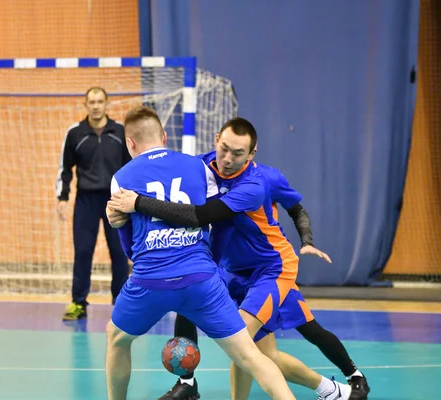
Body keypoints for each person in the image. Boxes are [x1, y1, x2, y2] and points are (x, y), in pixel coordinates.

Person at [109, 117, 355, 400]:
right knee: (204, 319)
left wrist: (137, 202)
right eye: (224, 148)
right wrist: (119, 216)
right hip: (231, 269)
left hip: (271, 267)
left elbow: (201, 216)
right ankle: (188, 384)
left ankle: (338, 385)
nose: (227, 158)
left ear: (252, 154)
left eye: (238, 153)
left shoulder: (257, 184)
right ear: (216, 140)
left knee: (268, 341)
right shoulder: (200, 166)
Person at [56, 86, 131, 320]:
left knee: (119, 253)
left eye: (100, 101)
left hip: (115, 200)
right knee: (83, 251)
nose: (96, 106)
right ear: (85, 105)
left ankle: (120, 302)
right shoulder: (75, 134)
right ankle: (78, 303)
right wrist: (62, 197)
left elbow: (131, 168)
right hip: (85, 200)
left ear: (107, 103)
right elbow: (65, 168)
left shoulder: (120, 132)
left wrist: (133, 200)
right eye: (92, 102)